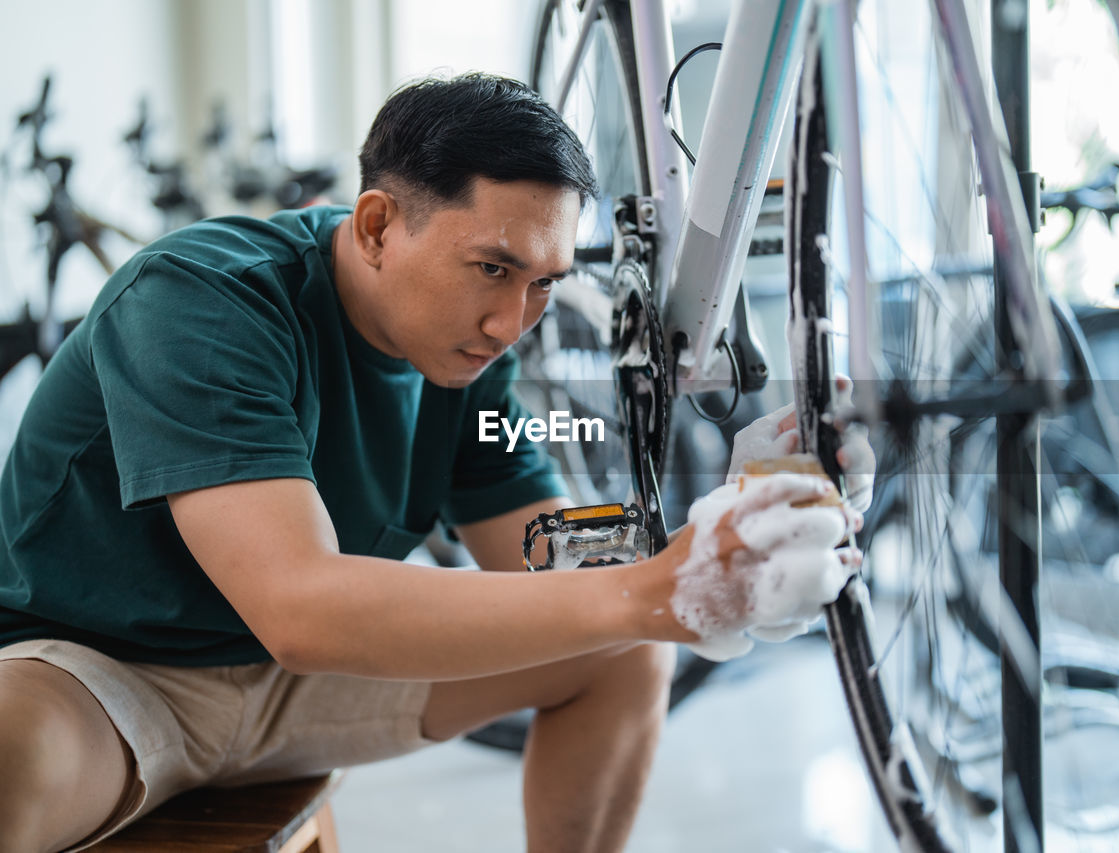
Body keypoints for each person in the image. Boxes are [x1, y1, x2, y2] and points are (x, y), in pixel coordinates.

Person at [0, 72, 872, 853]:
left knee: (623, 648)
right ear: (378, 225)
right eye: (492, 267)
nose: (512, 322)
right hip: (106, 677)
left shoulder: (461, 360)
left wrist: (724, 525)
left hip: (298, 691)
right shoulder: (201, 301)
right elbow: (299, 605)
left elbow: (553, 558)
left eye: (541, 281)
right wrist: (656, 590)